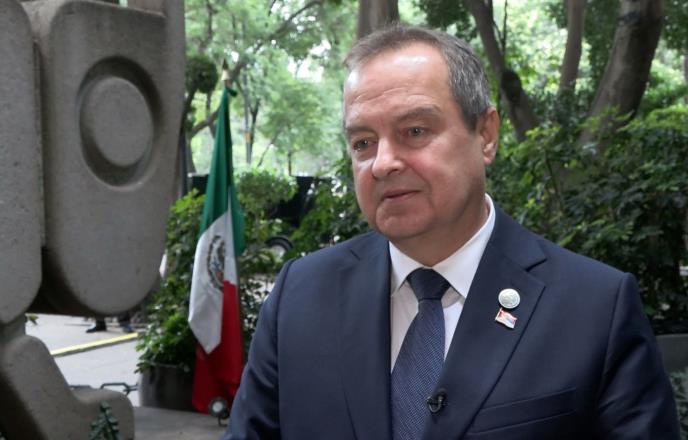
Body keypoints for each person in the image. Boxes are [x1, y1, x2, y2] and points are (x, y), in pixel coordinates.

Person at [223, 24, 679, 439]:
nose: (383, 163)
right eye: (363, 142)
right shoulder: (299, 297)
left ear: (486, 135)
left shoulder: (596, 308)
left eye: (414, 131)